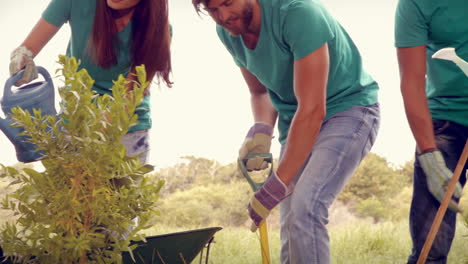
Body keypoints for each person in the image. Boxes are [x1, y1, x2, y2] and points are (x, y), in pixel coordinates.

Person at [191, 0, 380, 262]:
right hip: (296, 121)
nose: (222, 15)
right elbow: (259, 91)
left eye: (227, 2)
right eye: (212, 10)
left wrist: (275, 186)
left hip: (348, 110)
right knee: (291, 219)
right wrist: (261, 130)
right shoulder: (228, 31)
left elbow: (313, 109)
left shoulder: (298, 13)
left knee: (306, 207)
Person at [8, 0, 172, 163]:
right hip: (73, 123)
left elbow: (128, 98)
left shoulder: (157, 29)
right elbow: (27, 48)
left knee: (119, 189)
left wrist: (92, 142)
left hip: (127, 132)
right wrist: (21, 58)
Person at [395, 0, 467, 263]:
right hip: (444, 121)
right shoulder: (415, 4)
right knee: (430, 247)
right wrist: (429, 154)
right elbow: (411, 81)